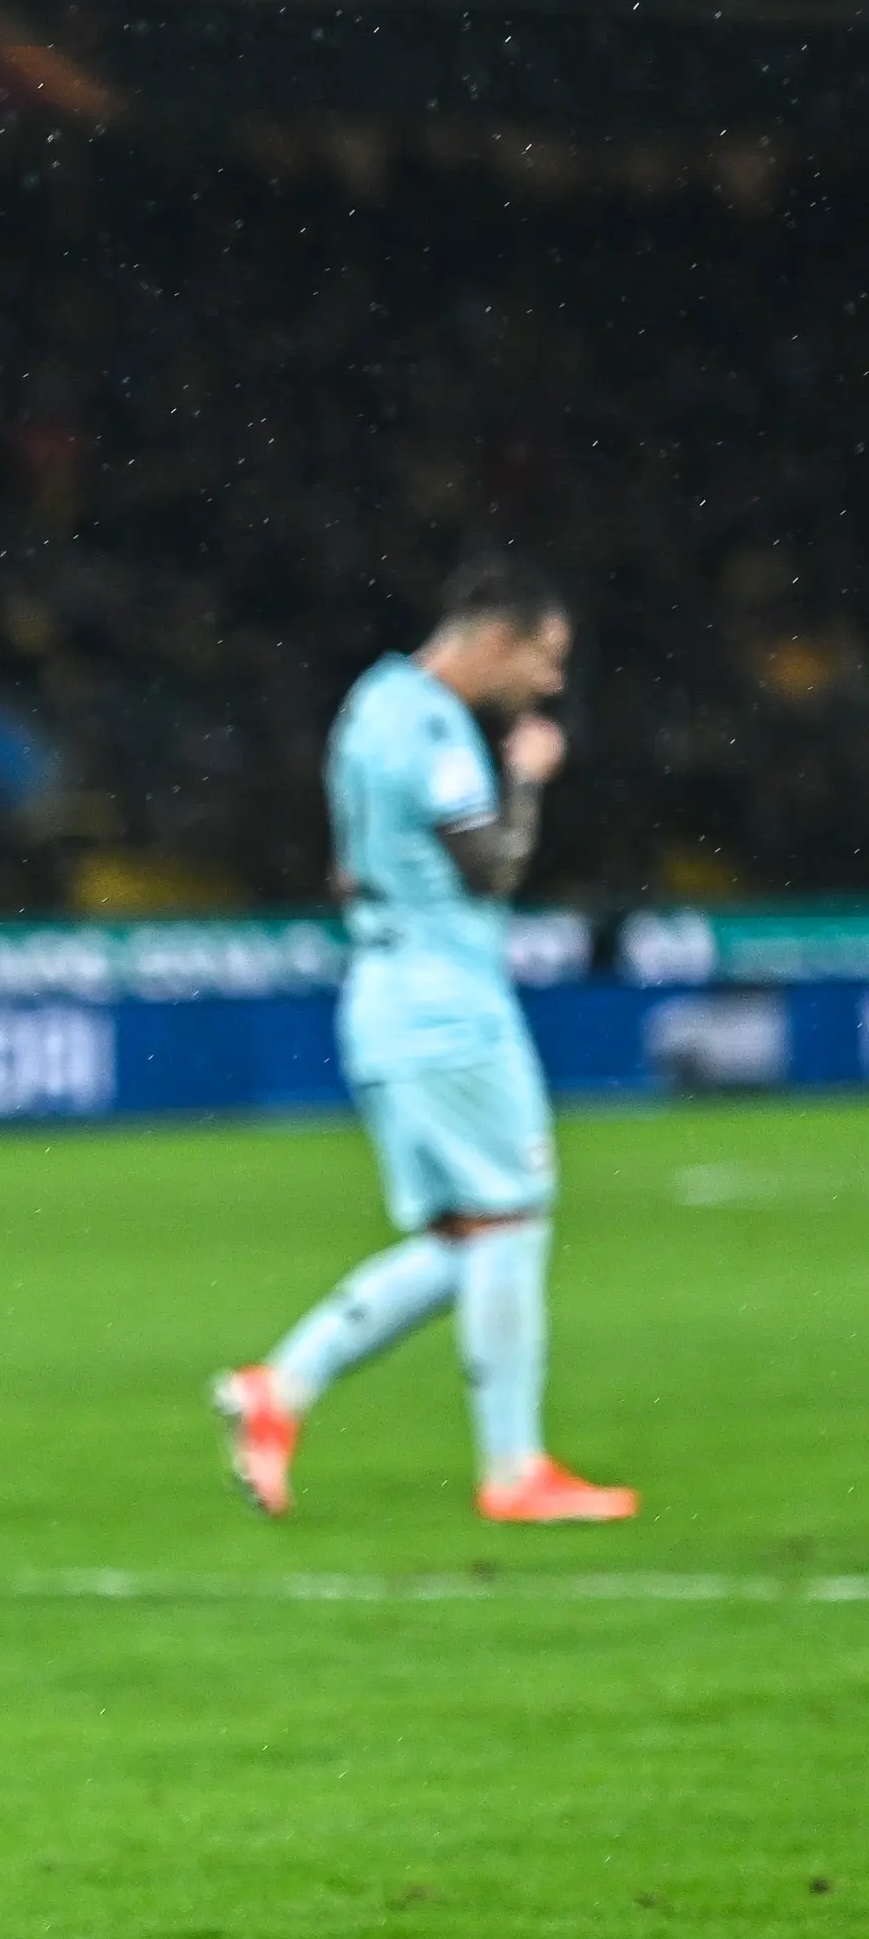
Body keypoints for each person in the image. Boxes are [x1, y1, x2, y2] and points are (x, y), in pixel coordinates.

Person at [215, 559, 633, 1523]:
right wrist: (526, 781)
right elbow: (489, 865)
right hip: (446, 1004)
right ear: (494, 639)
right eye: (544, 658)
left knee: (464, 1236)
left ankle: (281, 1388)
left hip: (385, 991)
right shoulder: (440, 728)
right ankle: (515, 1469)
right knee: (511, 1218)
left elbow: (344, 867)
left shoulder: (368, 706)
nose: (551, 684)